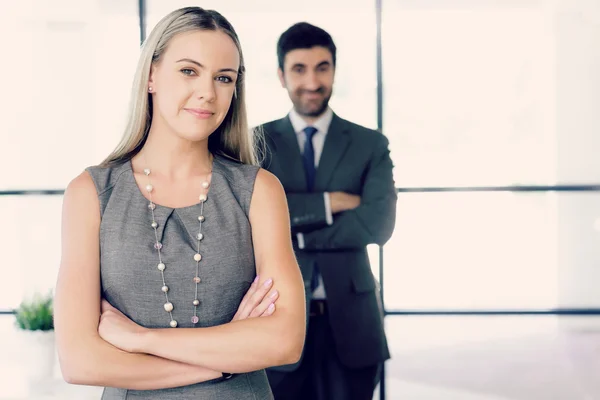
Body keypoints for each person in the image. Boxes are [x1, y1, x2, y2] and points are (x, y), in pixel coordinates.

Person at [54, 7, 305, 400]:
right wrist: (227, 358)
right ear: (151, 75)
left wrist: (137, 338)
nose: (208, 91)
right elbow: (80, 360)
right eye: (189, 71)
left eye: (224, 78)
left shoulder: (260, 191)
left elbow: (284, 341)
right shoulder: (90, 194)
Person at [260, 22, 397, 400]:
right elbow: (246, 222)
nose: (312, 81)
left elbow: (379, 224)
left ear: (334, 70)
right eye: (299, 69)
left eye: (322, 67)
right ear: (281, 76)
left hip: (353, 322)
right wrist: (331, 203)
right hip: (278, 319)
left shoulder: (369, 144)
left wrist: (293, 228)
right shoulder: (254, 145)